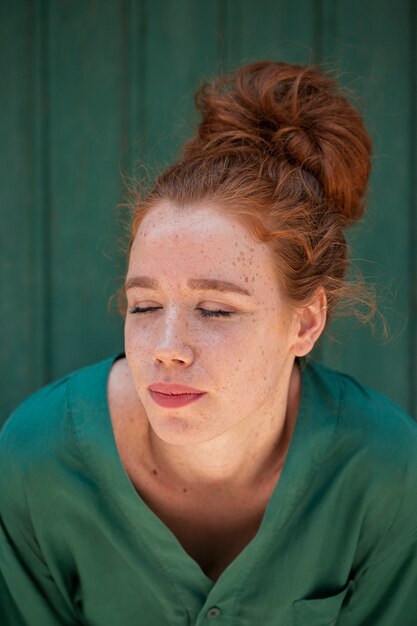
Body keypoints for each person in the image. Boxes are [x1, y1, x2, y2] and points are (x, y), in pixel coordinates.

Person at [1, 60, 417, 626]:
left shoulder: (388, 473)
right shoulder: (36, 462)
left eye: (217, 309)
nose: (166, 348)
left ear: (305, 324)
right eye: (144, 305)